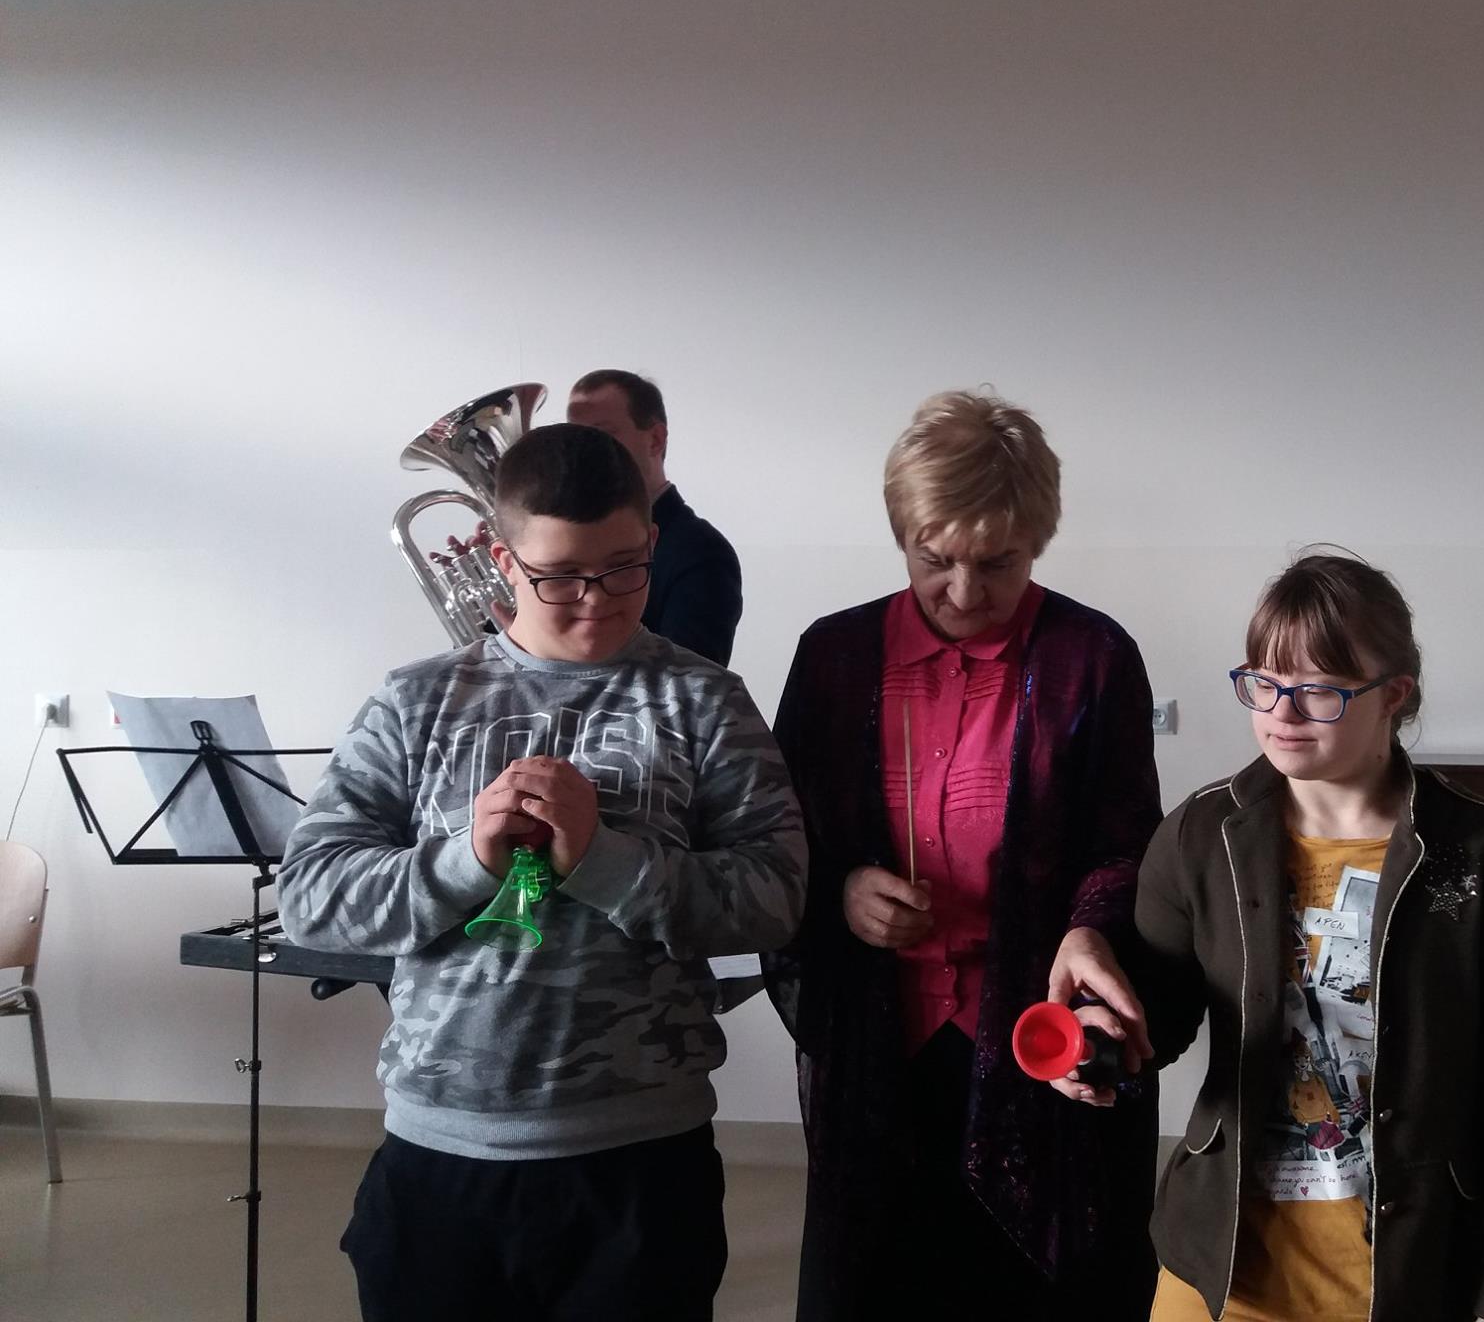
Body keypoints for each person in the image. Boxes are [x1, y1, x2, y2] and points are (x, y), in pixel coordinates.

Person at [277, 422, 806, 1322]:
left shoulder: (704, 701)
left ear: (653, 543)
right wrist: (465, 862)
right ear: (501, 560)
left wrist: (606, 864)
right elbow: (311, 898)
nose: (595, 603)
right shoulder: (416, 700)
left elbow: (777, 898)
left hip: (643, 1156)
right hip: (441, 1155)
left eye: (625, 568)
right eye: (559, 576)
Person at [769, 389, 1164, 1321]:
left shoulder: (1092, 656)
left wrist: (1090, 927)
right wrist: (843, 891)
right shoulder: (833, 656)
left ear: (1039, 542)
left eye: (998, 564)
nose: (961, 592)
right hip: (880, 1049)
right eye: (932, 559)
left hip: (1038, 1043)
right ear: (901, 535)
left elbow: (1126, 845)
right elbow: (778, 838)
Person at [1109, 549, 1484, 1322]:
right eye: (1264, 683)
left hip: (1407, 1273)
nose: (1282, 713)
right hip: (1219, 1266)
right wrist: (1102, 1024)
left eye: (1319, 690)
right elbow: (1156, 1013)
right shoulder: (1200, 834)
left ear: (1395, 694)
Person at [567, 367, 743, 666]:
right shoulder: (569, 544)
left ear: (656, 440)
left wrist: (548, 653)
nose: (582, 453)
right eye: (575, 437)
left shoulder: (702, 551)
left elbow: (688, 682)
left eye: (601, 435)